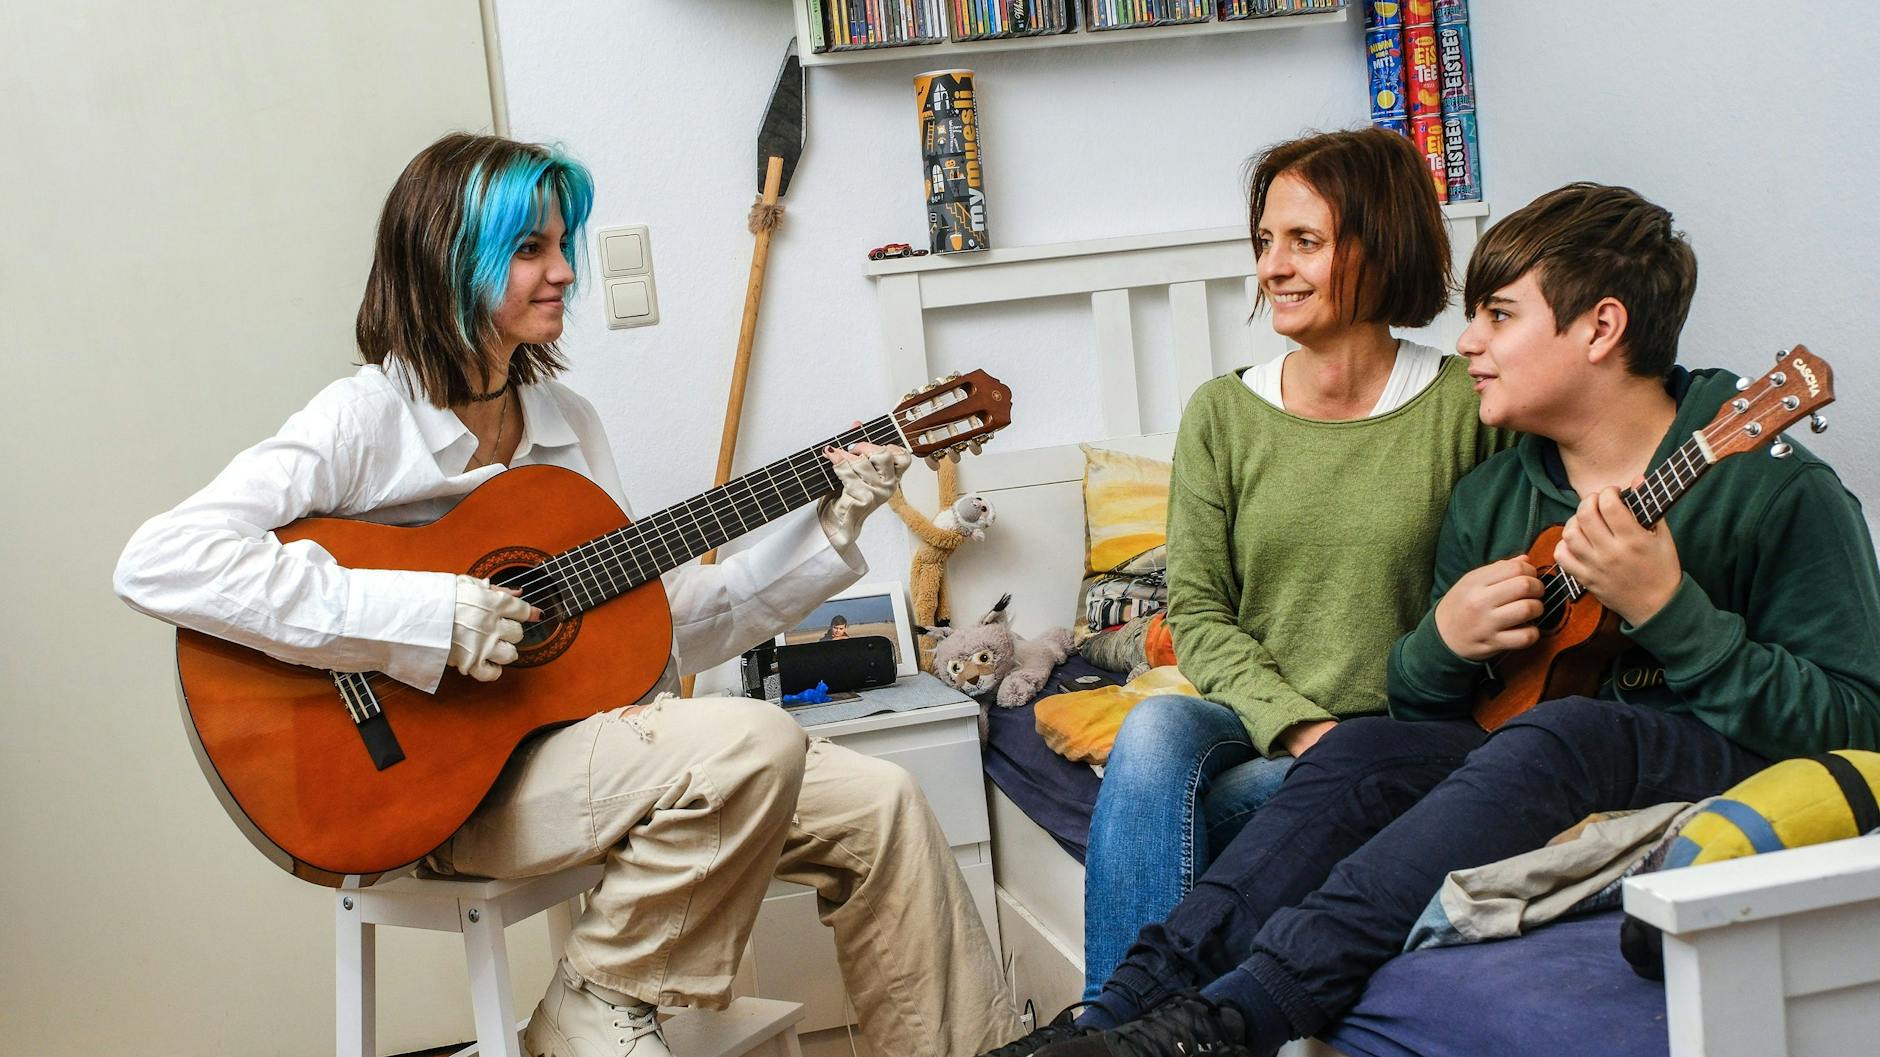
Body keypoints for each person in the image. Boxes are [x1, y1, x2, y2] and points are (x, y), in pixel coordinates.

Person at [113, 133, 1020, 1057]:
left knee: (886, 805)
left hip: (584, 751)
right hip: (431, 787)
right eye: (529, 250)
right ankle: (598, 998)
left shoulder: (567, 424)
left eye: (561, 246)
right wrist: (424, 619)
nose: (562, 274)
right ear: (446, 261)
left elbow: (659, 632)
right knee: (755, 739)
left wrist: (830, 528)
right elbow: (162, 558)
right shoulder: (364, 419)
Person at [992, 182, 1880, 1057]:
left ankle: (1229, 1023)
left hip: (1701, 757)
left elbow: (1859, 722)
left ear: (1601, 328)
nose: (1468, 343)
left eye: (1499, 317)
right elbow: (1426, 721)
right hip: (1543, 756)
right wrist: (1442, 643)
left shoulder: (1773, 488)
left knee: (1568, 732)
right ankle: (1117, 1015)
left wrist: (1669, 612)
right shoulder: (1498, 492)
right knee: (1361, 752)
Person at [1077, 127, 1513, 997]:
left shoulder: (1471, 405)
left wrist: (1356, 746)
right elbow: (1197, 612)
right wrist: (1307, 730)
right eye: (1266, 242)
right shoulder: (1223, 414)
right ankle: (1120, 1023)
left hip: (1397, 735)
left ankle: (1122, 1026)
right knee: (1156, 728)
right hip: (1257, 721)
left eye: (1304, 242)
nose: (1273, 265)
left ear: (1380, 245)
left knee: (1178, 814)